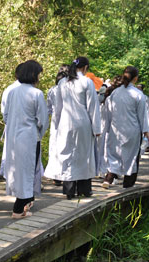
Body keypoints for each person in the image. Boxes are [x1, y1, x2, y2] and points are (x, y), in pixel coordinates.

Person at [2, 60, 49, 218]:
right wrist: (38, 133)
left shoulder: (13, 91)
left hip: (14, 137)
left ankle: (24, 204)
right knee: (29, 171)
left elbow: (6, 115)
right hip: (29, 137)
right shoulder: (36, 93)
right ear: (33, 75)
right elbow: (43, 120)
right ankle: (18, 209)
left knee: (18, 170)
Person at [53, 56, 101, 199]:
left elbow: (58, 107)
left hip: (65, 122)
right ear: (85, 67)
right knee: (84, 156)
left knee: (67, 155)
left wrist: (56, 124)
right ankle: (84, 189)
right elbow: (93, 107)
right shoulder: (86, 82)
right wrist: (97, 128)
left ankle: (69, 190)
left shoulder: (63, 82)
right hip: (82, 122)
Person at [102, 66, 149, 188]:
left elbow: (109, 112)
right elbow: (142, 115)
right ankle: (128, 183)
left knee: (114, 154)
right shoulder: (138, 94)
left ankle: (108, 178)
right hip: (132, 130)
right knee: (131, 157)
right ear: (136, 78)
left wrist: (107, 127)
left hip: (116, 128)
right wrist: (146, 131)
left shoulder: (115, 93)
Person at [43, 65, 69, 185]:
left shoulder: (52, 90)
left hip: (55, 120)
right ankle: (64, 173)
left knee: (54, 146)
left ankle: (55, 175)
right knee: (66, 146)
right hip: (67, 118)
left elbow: (48, 108)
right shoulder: (70, 89)